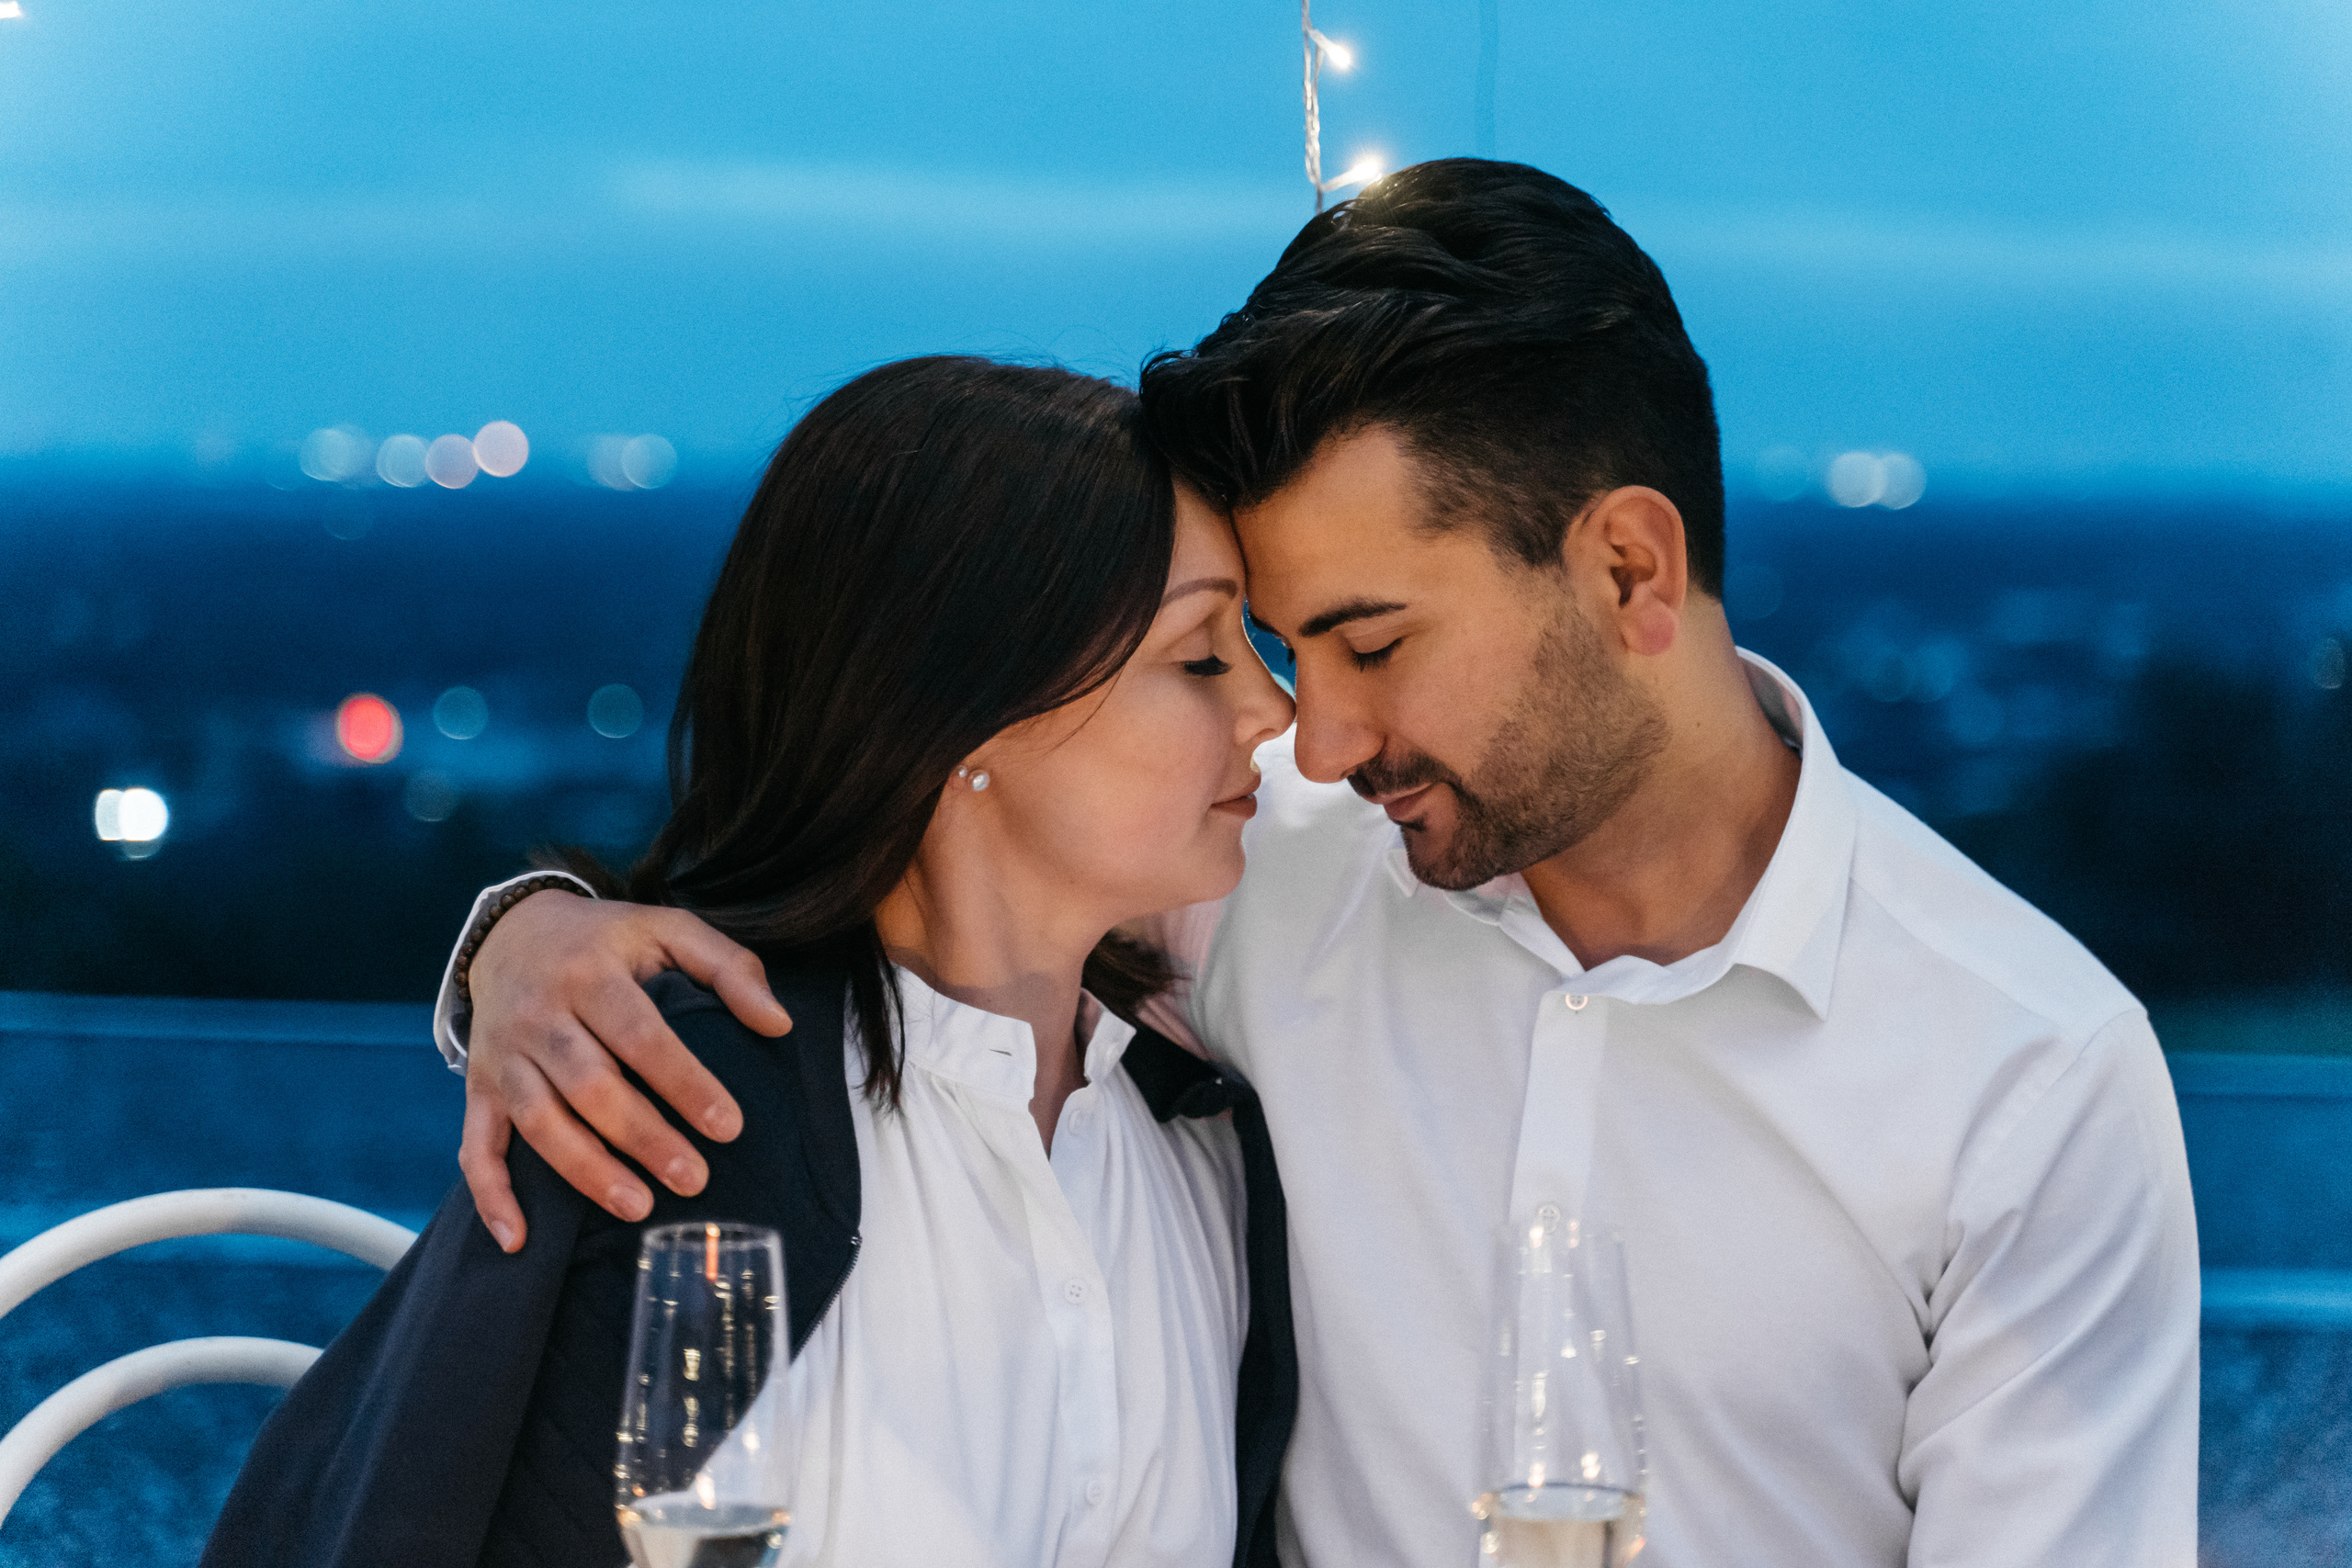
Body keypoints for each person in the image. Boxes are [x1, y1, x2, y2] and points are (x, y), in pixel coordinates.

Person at [444, 163, 2200, 1566]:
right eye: (1271, 649)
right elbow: (923, 830)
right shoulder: (1267, 866)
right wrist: (530, 938)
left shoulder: (2028, 1077)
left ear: (1629, 574)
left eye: (1369, 640)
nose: (1320, 737)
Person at [203, 357, 1299, 1568]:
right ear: (972, 712)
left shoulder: (1199, 1149)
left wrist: (521, 925)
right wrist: (521, 944)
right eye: (1201, 655)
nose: (1274, 708)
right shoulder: (675, 1112)